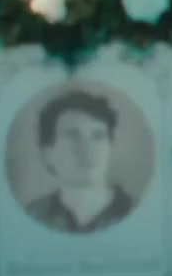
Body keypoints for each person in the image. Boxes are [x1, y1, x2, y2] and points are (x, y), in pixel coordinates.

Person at [25, 90, 134, 233]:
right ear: (48, 154)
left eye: (98, 136)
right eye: (72, 137)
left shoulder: (135, 212)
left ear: (110, 148)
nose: (87, 149)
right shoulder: (32, 215)